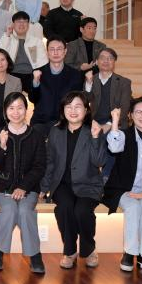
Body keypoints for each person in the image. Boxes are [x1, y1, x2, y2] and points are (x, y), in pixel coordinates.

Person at [40, 92, 107, 270]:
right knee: (64, 208)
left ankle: (89, 249)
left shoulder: (93, 130)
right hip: (62, 184)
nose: (73, 110)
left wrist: (95, 138)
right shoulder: (56, 131)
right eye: (68, 106)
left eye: (78, 106)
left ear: (86, 110)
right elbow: (50, 161)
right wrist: (44, 187)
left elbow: (99, 161)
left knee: (82, 211)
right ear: (63, 110)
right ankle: (69, 251)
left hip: (88, 184)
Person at [104, 98, 142, 276]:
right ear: (131, 115)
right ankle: (129, 252)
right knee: (132, 206)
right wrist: (115, 121)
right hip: (121, 188)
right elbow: (114, 147)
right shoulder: (123, 135)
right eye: (139, 112)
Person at [0, 92, 46, 274]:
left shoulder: (36, 135)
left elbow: (39, 166)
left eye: (20, 107)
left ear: (26, 110)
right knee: (10, 209)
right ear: (6, 111)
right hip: (1, 188)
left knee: (25, 211)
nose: (16, 112)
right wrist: (2, 146)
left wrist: (23, 187)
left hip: (29, 189)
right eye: (11, 108)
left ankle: (34, 254)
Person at [29, 37, 89, 137]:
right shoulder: (37, 73)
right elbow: (33, 99)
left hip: (66, 122)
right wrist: (36, 82)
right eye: (52, 49)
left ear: (65, 51)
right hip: (41, 122)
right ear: (47, 52)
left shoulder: (76, 75)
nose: (55, 52)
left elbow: (79, 101)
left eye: (59, 49)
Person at [0, 11, 48, 93]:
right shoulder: (7, 38)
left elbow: (43, 62)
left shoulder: (36, 41)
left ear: (28, 25)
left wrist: (37, 74)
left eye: (25, 21)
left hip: (31, 74)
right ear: (13, 24)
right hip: (12, 74)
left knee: (38, 91)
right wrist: (7, 35)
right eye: (18, 21)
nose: (21, 24)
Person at [85, 47, 132, 132]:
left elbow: (125, 108)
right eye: (102, 58)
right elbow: (86, 102)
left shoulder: (124, 83)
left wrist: (110, 124)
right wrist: (88, 83)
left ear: (114, 62)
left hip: (117, 125)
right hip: (93, 125)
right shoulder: (90, 79)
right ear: (97, 62)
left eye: (110, 58)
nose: (106, 61)